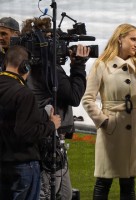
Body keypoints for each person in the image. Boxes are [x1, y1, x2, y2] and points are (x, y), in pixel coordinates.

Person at [82, 23, 136, 200]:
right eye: (133, 39)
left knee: (128, 183)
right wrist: (104, 121)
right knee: (104, 181)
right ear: (119, 38)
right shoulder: (101, 65)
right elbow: (87, 99)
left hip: (133, 128)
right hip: (111, 129)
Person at [20, 17, 91, 200]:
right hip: (47, 138)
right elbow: (74, 97)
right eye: (52, 40)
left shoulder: (32, 66)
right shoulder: (47, 68)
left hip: (51, 137)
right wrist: (79, 66)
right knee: (48, 193)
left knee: (64, 194)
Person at [0, 45, 61, 200]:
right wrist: (51, 124)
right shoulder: (23, 93)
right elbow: (25, 134)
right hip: (21, 165)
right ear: (25, 67)